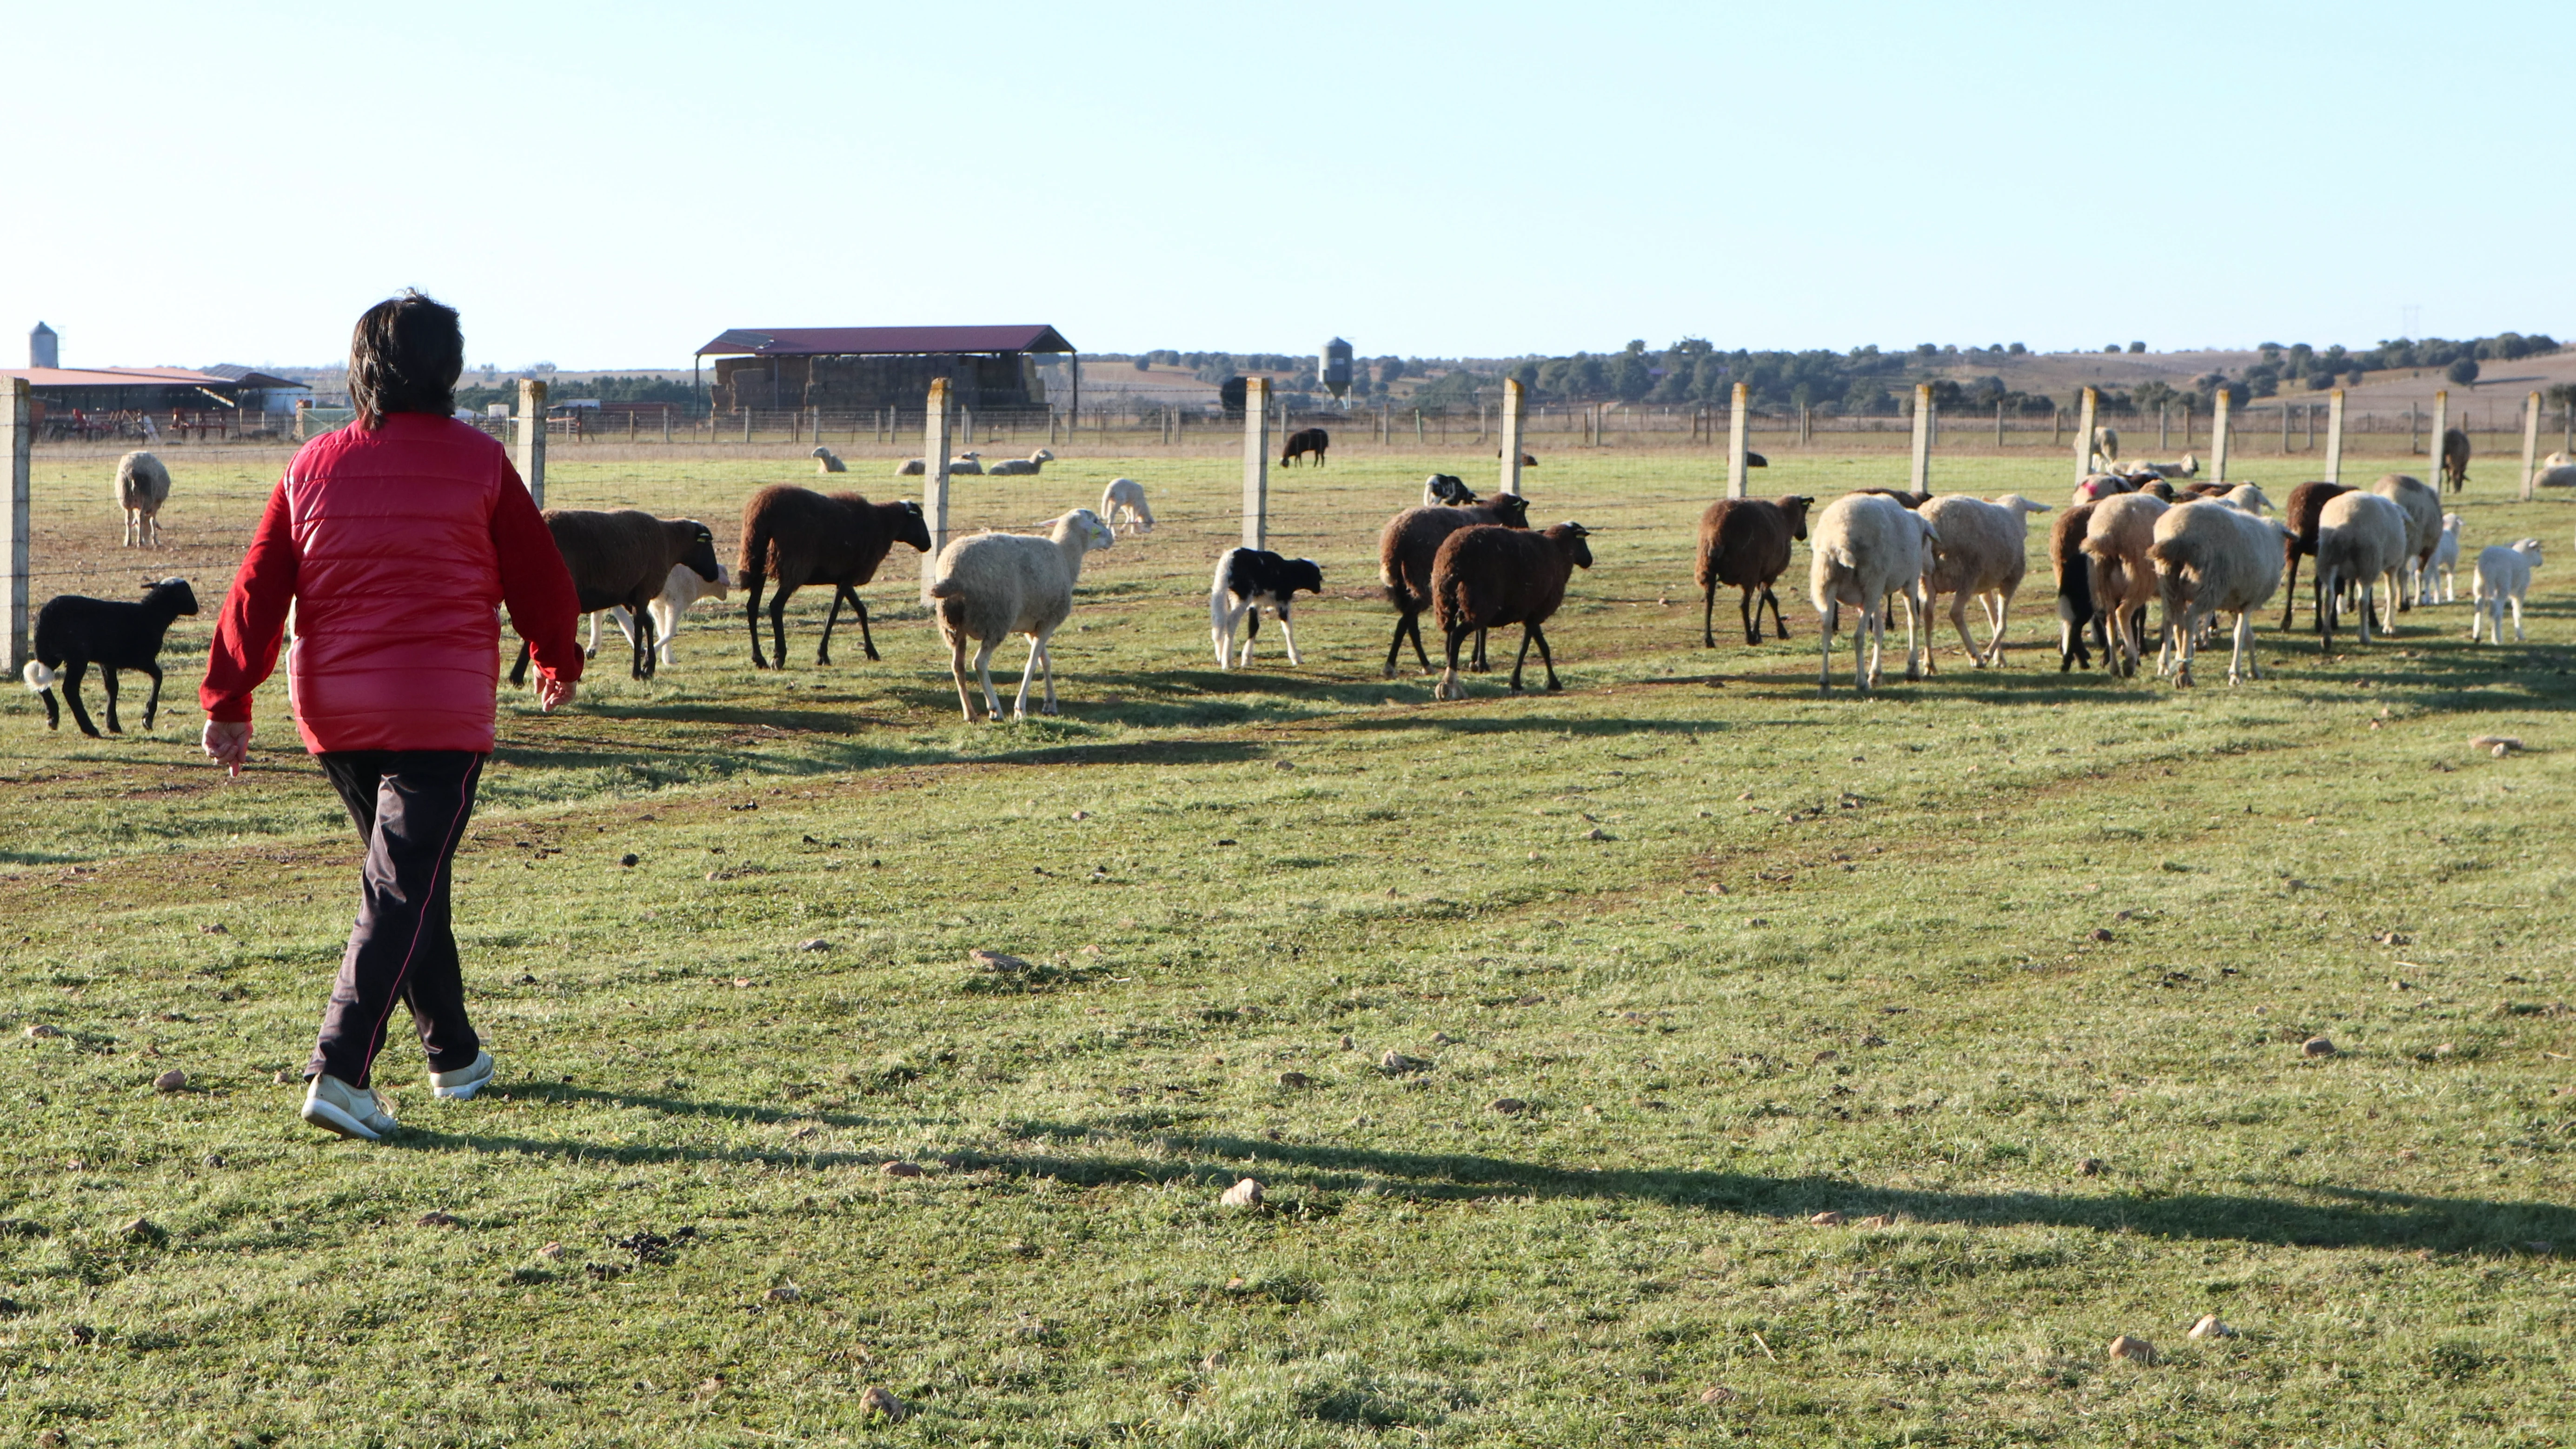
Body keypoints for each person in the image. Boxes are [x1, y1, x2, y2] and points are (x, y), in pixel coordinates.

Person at [200, 291, 584, 1142]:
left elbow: (258, 591)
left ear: (362, 367)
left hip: (335, 713)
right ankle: (340, 1072)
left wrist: (230, 699)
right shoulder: (482, 463)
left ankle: (453, 1054)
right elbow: (543, 579)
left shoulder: (311, 465)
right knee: (402, 884)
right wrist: (558, 658)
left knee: (409, 880)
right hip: (440, 711)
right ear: (449, 370)